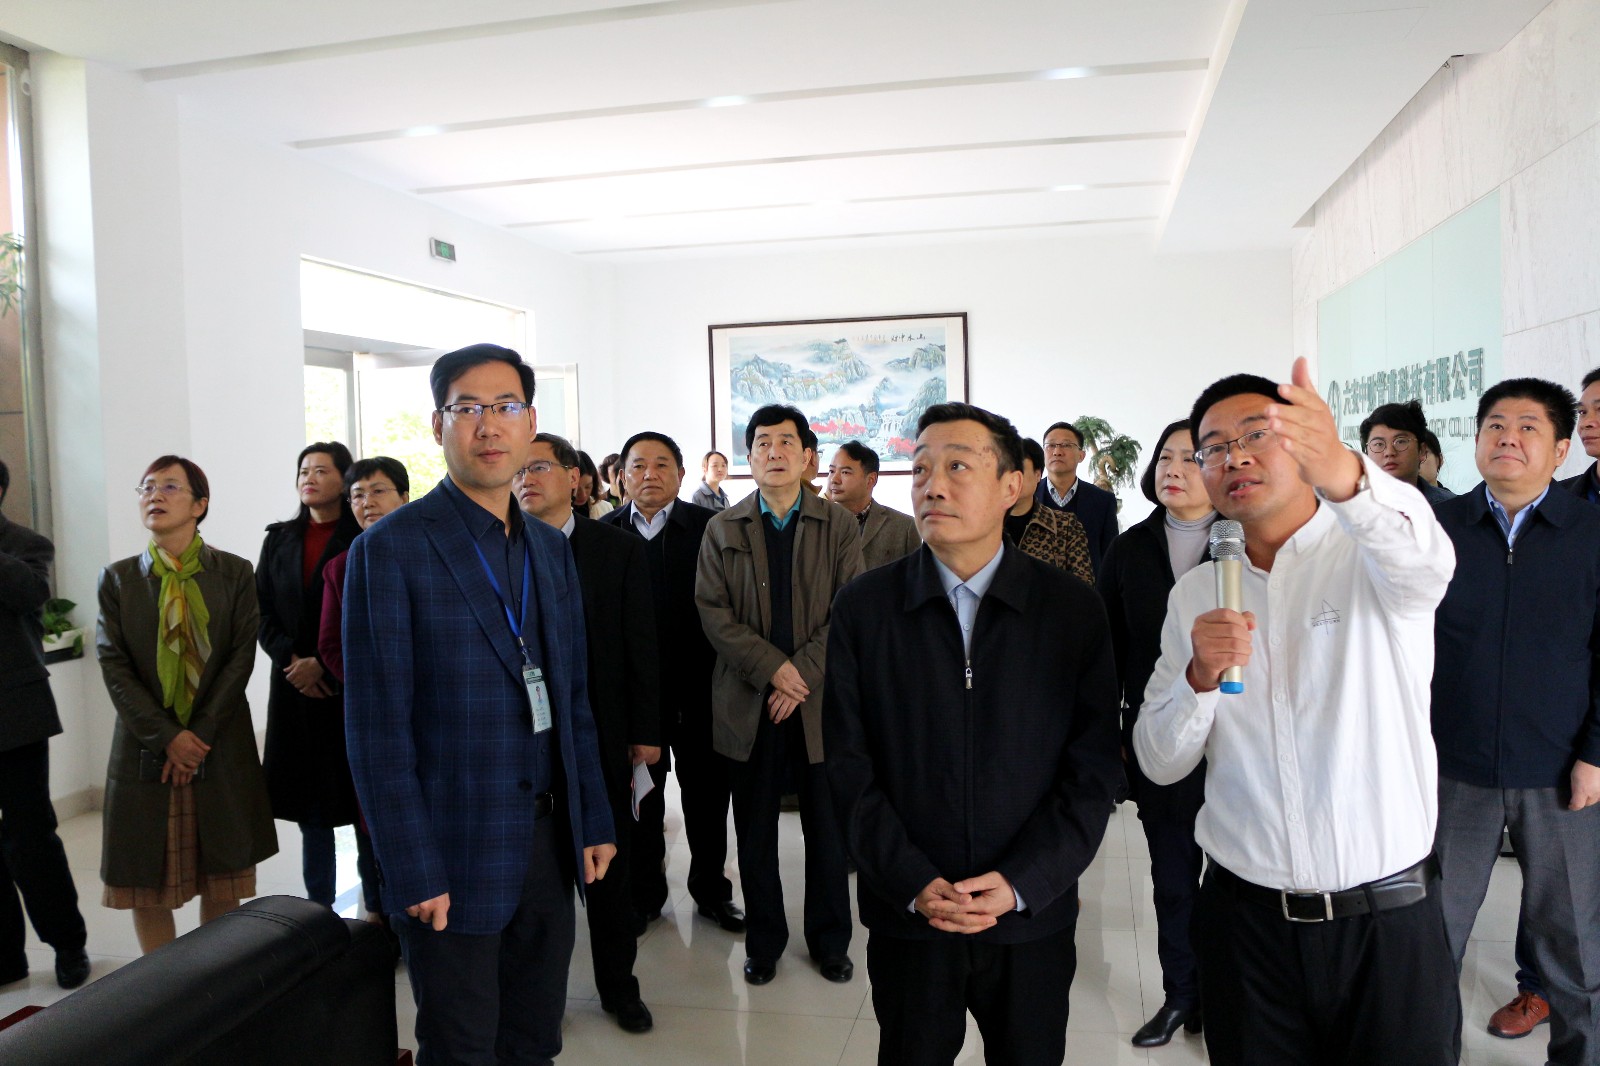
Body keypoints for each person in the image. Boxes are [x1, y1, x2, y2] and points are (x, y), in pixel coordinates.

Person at [1133, 360, 1460, 1066]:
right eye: (1213, 448)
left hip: (1388, 925)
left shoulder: (1371, 558)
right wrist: (1198, 678)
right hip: (1246, 928)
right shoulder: (1196, 595)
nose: (1234, 458)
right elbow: (1159, 760)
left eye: (1256, 434)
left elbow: (1428, 562)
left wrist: (1345, 472)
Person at [343, 343, 615, 1065]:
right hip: (452, 854)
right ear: (438, 425)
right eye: (468, 408)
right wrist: (411, 868)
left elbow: (573, 699)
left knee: (535, 1040)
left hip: (550, 847)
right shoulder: (390, 551)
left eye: (505, 407)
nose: (488, 425)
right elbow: (377, 733)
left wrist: (593, 817)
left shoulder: (550, 550)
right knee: (461, 1047)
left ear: (531, 423)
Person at [824, 402, 1120, 1065]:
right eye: (921, 469)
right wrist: (909, 879)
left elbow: (1093, 768)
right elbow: (846, 762)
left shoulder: (1069, 611)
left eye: (958, 466)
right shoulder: (866, 607)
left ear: (1012, 486)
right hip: (911, 915)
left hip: (1029, 916)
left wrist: (1022, 882)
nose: (932, 486)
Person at [1430, 377, 1600, 1066]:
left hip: (1562, 774)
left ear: (1560, 450)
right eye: (1495, 424)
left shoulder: (1591, 534)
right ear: (1475, 441)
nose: (1508, 437)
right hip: (1450, 767)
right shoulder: (1437, 529)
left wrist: (1595, 753)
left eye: (1529, 427)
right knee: (1431, 940)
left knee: (1573, 946)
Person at [696, 403, 862, 986]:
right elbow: (713, 613)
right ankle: (764, 942)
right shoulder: (723, 528)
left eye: (786, 442)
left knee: (827, 832)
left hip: (819, 706)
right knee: (755, 833)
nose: (774, 452)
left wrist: (801, 676)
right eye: (762, 443)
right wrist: (774, 671)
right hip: (750, 704)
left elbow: (850, 610)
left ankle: (830, 942)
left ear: (808, 456)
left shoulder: (839, 526)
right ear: (749, 456)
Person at [96, 456, 277, 955]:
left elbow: (240, 657)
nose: (155, 495)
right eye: (146, 487)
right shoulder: (118, 579)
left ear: (200, 505)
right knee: (145, 878)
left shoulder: (235, 572)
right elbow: (114, 665)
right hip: (146, 748)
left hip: (218, 744)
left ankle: (211, 977)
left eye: (170, 486)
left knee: (222, 872)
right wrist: (168, 737)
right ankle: (164, 983)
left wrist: (198, 735)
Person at [516, 432, 661, 1035]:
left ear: (574, 478)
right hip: (526, 740)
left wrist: (646, 731)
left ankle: (618, 987)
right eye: (519, 470)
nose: (526, 479)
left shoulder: (615, 549)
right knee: (537, 876)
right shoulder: (502, 550)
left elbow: (641, 645)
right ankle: (537, 998)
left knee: (608, 868)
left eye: (539, 467)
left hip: (599, 733)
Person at [1491, 365, 1600, 1038]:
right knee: (1561, 901)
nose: (1593, 421)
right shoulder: (1571, 505)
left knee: (1577, 912)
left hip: (1577, 748)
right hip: (1539, 746)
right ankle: (1537, 991)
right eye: (1587, 409)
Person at [1098, 420, 1214, 1048]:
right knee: (1172, 875)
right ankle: (1181, 995)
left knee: (1234, 880)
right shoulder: (1130, 549)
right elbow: (1106, 650)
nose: (1173, 468)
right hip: (1158, 737)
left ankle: (1227, 995)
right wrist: (1112, 731)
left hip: (1237, 742)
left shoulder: (1247, 542)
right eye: (1166, 457)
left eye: (1191, 458)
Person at [603, 432, 744, 935]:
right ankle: (645, 895)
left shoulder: (710, 528)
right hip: (634, 698)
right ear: (621, 476)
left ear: (682, 474)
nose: (650, 474)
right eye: (638, 465)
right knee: (642, 801)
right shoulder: (605, 533)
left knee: (707, 798)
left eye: (662, 464)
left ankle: (711, 892)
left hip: (700, 690)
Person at [256, 442, 361, 907]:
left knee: (357, 800)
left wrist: (323, 662)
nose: (309, 478)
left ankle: (378, 909)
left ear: (344, 479)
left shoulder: (361, 536)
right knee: (310, 808)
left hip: (343, 685)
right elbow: (261, 611)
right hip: (293, 686)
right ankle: (319, 907)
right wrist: (293, 662)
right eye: (303, 471)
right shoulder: (279, 539)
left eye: (321, 470)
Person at [0, 459, 89, 989]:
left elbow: (30, 594)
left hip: (15, 714)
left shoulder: (27, 545)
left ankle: (67, 944)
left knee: (31, 839)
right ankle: (5, 957)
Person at [316, 456, 411, 925]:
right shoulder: (340, 567)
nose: (366, 502)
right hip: (372, 713)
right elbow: (330, 645)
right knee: (374, 816)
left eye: (378, 491)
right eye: (357, 495)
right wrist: (377, 688)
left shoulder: (429, 554)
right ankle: (380, 916)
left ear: (404, 498)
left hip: (430, 710)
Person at [1004, 437, 1095, 585]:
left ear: (1037, 475)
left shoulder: (1065, 526)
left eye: (1019, 473)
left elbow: (1083, 586)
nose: (1011, 480)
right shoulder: (982, 526)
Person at [1036, 421, 1119, 572]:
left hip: (1086, 585)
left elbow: (1110, 559)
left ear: (1081, 455)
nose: (1057, 452)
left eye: (1066, 445)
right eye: (1051, 445)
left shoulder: (1103, 501)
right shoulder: (1027, 495)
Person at [826, 440, 920, 570]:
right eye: (831, 471)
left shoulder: (905, 527)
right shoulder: (817, 522)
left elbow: (915, 578)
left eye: (845, 472)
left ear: (870, 480)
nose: (834, 480)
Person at [1359, 399, 1453, 504]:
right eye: (1378, 444)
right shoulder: (1350, 507)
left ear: (1422, 451)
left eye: (1400, 441)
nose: (1389, 452)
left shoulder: (1450, 505)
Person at [576, 450, 613, 519]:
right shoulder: (556, 512)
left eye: (588, 487)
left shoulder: (605, 508)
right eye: (577, 489)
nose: (583, 494)